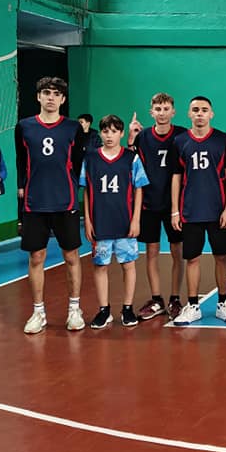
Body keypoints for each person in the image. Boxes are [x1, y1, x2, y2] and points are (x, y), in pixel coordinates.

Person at [15, 76, 88, 335]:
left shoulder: (72, 128)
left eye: (56, 94)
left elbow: (77, 163)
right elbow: (21, 162)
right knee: (36, 257)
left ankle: (74, 309)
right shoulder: (24, 127)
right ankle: (38, 312)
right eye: (46, 92)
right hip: (35, 203)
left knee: (71, 256)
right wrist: (22, 193)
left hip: (65, 201)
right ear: (38, 96)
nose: (51, 97)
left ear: (63, 99)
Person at [169, 96, 226, 325]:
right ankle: (193, 306)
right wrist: (175, 211)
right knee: (192, 259)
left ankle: (223, 303)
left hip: (218, 210)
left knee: (221, 257)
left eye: (204, 110)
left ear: (211, 114)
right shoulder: (179, 141)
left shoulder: (222, 139)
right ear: (189, 114)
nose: (200, 113)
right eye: (196, 110)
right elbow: (176, 177)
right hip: (190, 210)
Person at [80, 115, 150, 329]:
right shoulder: (90, 158)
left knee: (128, 265)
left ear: (121, 133)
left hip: (125, 222)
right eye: (105, 131)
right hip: (100, 221)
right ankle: (104, 310)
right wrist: (88, 220)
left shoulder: (131, 158)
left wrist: (136, 219)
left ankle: (127, 308)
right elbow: (86, 191)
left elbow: (139, 189)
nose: (109, 136)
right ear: (100, 133)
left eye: (113, 131)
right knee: (101, 266)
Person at [128, 94, 187, 321]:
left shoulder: (182, 135)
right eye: (158, 109)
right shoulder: (142, 137)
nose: (162, 113)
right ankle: (156, 299)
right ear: (151, 112)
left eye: (166, 108)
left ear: (173, 112)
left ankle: (175, 298)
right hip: (149, 203)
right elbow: (131, 165)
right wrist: (131, 141)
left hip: (174, 204)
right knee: (151, 252)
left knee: (177, 251)